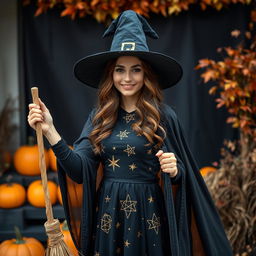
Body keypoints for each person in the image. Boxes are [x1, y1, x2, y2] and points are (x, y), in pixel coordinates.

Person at [28, 10, 232, 256]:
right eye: (119, 70)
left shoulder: (163, 116)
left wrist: (176, 170)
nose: (127, 78)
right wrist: (50, 131)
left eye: (135, 69)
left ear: (146, 74)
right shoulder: (99, 117)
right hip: (109, 215)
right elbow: (78, 171)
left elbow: (183, 176)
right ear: (110, 74)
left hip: (151, 217)